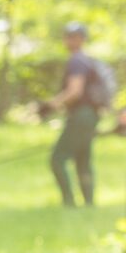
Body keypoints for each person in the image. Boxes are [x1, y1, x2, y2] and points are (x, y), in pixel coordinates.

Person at [42, 22, 100, 207]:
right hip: (91, 116)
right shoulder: (88, 60)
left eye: (73, 36)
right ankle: (89, 203)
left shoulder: (77, 61)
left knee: (57, 159)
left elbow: (74, 92)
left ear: (82, 39)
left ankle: (69, 202)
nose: (69, 40)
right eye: (67, 36)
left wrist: (51, 105)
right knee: (83, 160)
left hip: (81, 116)